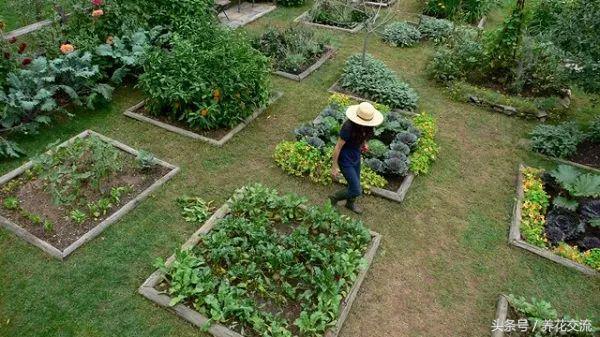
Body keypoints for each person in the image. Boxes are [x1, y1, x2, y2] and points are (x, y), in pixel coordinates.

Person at [330, 102, 383, 214]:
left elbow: (364, 136)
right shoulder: (348, 127)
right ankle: (334, 198)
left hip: (356, 155)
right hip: (345, 159)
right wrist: (334, 166)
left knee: (355, 183)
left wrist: (364, 144)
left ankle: (350, 204)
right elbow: (338, 147)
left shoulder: (369, 126)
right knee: (356, 190)